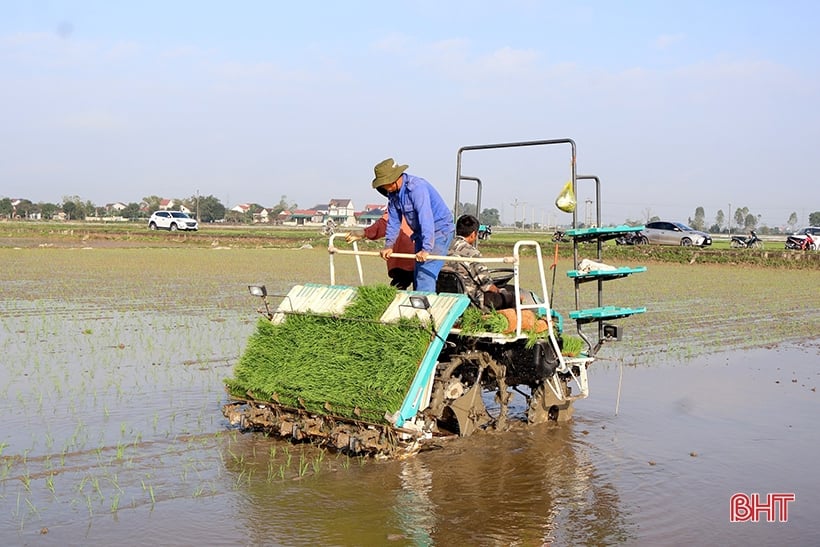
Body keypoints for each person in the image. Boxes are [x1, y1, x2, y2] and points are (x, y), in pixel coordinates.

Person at [371, 158, 455, 292]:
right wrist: (389, 246)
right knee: (417, 274)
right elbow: (393, 221)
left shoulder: (416, 188)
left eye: (383, 184)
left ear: (392, 180)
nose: (382, 188)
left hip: (439, 232)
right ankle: (418, 305)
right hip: (420, 234)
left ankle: (423, 311)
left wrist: (427, 248)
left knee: (424, 274)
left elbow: (425, 217)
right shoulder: (393, 195)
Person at [443, 214, 516, 311]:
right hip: (472, 299)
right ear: (473, 234)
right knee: (513, 296)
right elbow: (487, 286)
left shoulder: (443, 248)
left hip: (447, 297)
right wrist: (500, 291)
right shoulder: (472, 253)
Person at [345, 211, 415, 289]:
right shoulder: (396, 205)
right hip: (405, 258)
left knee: (420, 289)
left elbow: (384, 223)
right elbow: (384, 223)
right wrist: (364, 232)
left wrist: (364, 232)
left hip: (416, 257)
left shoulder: (399, 204)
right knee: (404, 287)